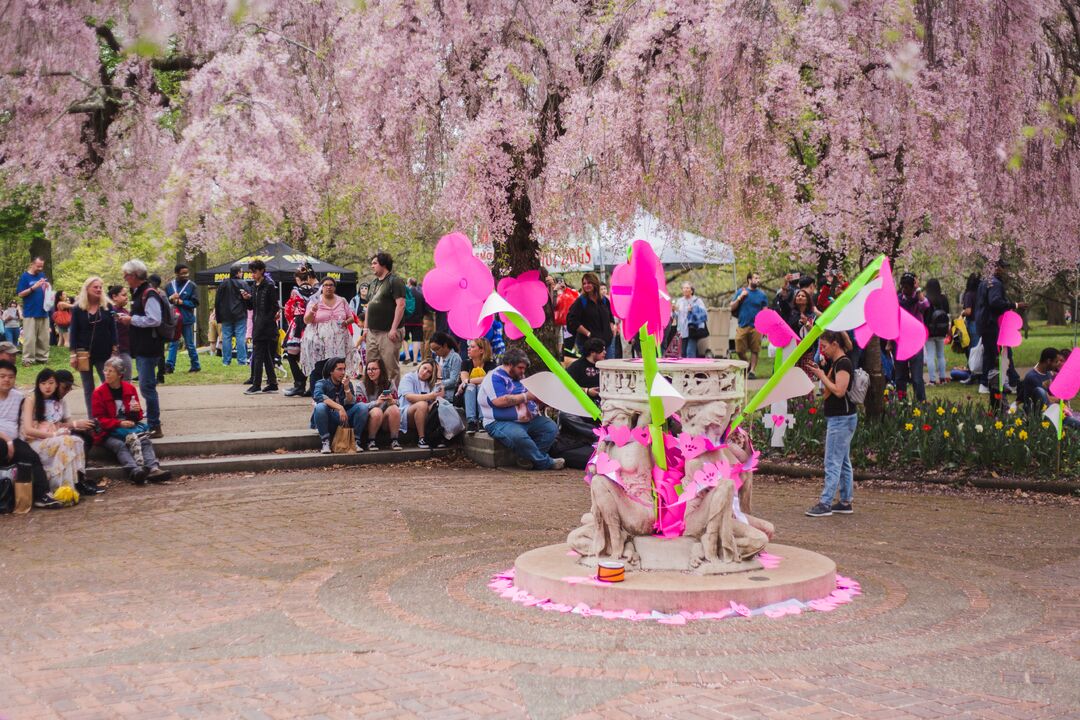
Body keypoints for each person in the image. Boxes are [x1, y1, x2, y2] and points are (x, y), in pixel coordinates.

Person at [478, 348, 565, 470]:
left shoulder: (520, 376)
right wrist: (526, 396)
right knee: (519, 436)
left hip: (528, 419)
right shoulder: (494, 377)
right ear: (509, 364)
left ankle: (527, 459)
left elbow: (530, 398)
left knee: (551, 428)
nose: (523, 371)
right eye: (520, 367)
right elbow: (499, 401)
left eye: (524, 368)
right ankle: (545, 462)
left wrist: (541, 401)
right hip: (498, 421)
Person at [91, 356, 170, 484]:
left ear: (120, 374)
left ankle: (153, 469)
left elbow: (137, 416)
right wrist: (119, 423)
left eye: (110, 371)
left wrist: (136, 411)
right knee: (119, 445)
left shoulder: (129, 389)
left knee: (144, 441)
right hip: (108, 431)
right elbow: (99, 420)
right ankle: (134, 471)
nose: (106, 373)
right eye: (105, 370)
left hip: (129, 428)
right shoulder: (98, 393)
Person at [805, 330, 857, 517]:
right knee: (842, 461)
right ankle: (845, 501)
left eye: (825, 347)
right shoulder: (836, 363)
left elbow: (839, 391)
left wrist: (821, 375)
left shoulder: (843, 363)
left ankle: (825, 503)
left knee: (832, 462)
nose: (823, 351)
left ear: (835, 344)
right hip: (841, 418)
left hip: (841, 419)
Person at [0, 360, 61, 508]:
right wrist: (7, 440)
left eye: (10, 376)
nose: (6, 379)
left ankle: (42, 495)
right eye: (2, 376)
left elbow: (34, 406)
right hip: (3, 440)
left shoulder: (18, 396)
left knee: (31, 456)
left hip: (15, 439)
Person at [116, 260, 166, 438]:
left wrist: (131, 320)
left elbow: (155, 319)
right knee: (146, 386)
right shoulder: (139, 293)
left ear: (135, 275)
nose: (125, 279)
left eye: (127, 275)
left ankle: (154, 425)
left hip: (149, 347)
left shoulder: (148, 293)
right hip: (142, 346)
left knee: (147, 387)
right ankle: (153, 423)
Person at [21, 368, 87, 495]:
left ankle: (73, 485)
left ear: (56, 384)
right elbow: (28, 430)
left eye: (51, 383)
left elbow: (58, 424)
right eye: (43, 383)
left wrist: (68, 428)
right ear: (38, 384)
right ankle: (57, 487)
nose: (47, 387)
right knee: (66, 442)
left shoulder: (58, 401)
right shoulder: (31, 400)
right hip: (35, 440)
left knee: (77, 440)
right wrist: (54, 434)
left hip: (53, 438)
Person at [300, 277, 359, 396]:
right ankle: (317, 396)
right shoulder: (315, 300)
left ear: (335, 287)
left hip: (338, 342)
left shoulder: (342, 301)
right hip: (318, 342)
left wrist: (345, 323)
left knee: (337, 368)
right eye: (326, 285)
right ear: (321, 287)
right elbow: (306, 320)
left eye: (331, 285)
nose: (328, 287)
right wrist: (312, 311)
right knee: (318, 369)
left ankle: (337, 395)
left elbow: (352, 317)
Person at [68, 276, 118, 415]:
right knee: (88, 387)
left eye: (100, 287)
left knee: (108, 384)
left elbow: (113, 330)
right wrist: (73, 354)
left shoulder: (107, 307)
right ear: (87, 289)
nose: (98, 289)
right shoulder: (78, 308)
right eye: (95, 287)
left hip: (104, 352)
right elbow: (73, 332)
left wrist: (114, 350)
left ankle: (110, 414)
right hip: (83, 353)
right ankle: (93, 417)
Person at [976, 261, 1026, 396]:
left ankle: (988, 383)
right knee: (1004, 352)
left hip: (984, 322)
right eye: (1002, 267)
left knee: (990, 354)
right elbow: (995, 302)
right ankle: (1013, 382)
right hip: (993, 323)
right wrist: (1014, 305)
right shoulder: (996, 284)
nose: (1003, 270)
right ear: (996, 268)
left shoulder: (984, 282)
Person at [53, 369, 105, 495]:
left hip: (62, 432)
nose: (66, 392)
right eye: (65, 388)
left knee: (86, 436)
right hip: (49, 435)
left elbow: (67, 422)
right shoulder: (45, 400)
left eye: (69, 389)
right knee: (77, 439)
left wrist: (82, 425)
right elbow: (49, 426)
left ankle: (80, 477)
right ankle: (77, 480)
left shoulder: (62, 401)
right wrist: (74, 425)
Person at [311, 356, 369, 454]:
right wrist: (339, 407)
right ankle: (325, 441)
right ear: (331, 371)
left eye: (344, 369)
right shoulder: (322, 383)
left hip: (344, 419)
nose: (343, 372)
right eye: (339, 369)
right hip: (329, 419)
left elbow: (351, 402)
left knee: (362, 406)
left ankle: (355, 441)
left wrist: (346, 388)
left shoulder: (347, 383)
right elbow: (318, 396)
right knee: (320, 407)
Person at [365, 252, 407, 385]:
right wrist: (366, 328)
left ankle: (394, 398)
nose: (372, 266)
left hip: (388, 333)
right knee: (371, 367)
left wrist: (393, 329)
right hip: (372, 332)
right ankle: (374, 397)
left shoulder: (395, 281)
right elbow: (369, 306)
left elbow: (401, 305)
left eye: (375, 263)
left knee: (390, 368)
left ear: (383, 264)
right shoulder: (373, 283)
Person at [242, 259, 281, 394]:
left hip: (266, 327)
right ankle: (272, 382)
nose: (252, 275)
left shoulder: (269, 286)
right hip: (257, 324)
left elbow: (275, 306)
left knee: (258, 354)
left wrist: (266, 321)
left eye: (254, 272)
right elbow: (252, 306)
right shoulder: (254, 286)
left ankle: (256, 384)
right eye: (251, 272)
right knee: (265, 356)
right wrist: (247, 299)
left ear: (262, 271)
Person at [283, 266, 319, 396]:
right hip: (312, 324)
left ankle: (299, 383)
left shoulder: (295, 291)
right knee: (311, 356)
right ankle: (312, 385)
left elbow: (289, 309)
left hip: (298, 324)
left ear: (298, 279)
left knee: (292, 355)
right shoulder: (316, 291)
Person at [894, 272, 929, 402]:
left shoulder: (918, 299)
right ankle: (901, 402)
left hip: (915, 342)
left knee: (917, 378)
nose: (905, 289)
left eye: (908, 287)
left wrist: (918, 289)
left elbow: (925, 305)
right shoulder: (898, 300)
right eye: (903, 286)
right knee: (900, 377)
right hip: (900, 342)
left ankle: (921, 403)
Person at [356, 358, 402, 450]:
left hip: (385, 421)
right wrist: (376, 403)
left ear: (381, 370)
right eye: (368, 369)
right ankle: (371, 441)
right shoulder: (360, 385)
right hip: (369, 420)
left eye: (374, 369)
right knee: (377, 411)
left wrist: (392, 401)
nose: (370, 372)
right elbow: (359, 406)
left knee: (394, 408)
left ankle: (394, 440)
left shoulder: (389, 383)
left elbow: (398, 402)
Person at [730, 272, 769, 378]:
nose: (758, 280)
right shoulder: (741, 292)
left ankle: (752, 371)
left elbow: (765, 312)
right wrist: (740, 298)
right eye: (755, 278)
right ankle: (746, 364)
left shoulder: (762, 295)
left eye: (759, 278)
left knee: (755, 350)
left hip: (757, 326)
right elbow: (731, 307)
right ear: (749, 280)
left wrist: (765, 327)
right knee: (739, 350)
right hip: (742, 324)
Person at [398, 359, 443, 449]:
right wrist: (430, 396)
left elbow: (440, 396)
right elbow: (409, 397)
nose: (425, 372)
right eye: (424, 368)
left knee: (438, 404)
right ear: (420, 366)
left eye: (429, 372)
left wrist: (439, 377)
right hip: (406, 412)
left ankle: (436, 437)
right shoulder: (409, 377)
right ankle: (422, 438)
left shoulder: (429, 383)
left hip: (424, 414)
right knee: (422, 404)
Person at [566, 272, 614, 355]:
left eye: (589, 283)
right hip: (589, 345)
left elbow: (610, 316)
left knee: (607, 366)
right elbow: (572, 320)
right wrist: (588, 333)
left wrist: (611, 329)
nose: (586, 285)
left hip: (607, 343)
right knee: (592, 367)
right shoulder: (581, 301)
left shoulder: (604, 300)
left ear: (595, 283)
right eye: (584, 283)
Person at [165, 263, 200, 374]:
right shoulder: (169, 286)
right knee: (173, 343)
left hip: (186, 319)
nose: (185, 275)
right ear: (176, 273)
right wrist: (171, 298)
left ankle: (195, 365)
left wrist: (182, 302)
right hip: (173, 319)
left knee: (189, 343)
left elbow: (195, 303)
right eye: (182, 273)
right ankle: (170, 366)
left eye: (187, 273)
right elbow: (164, 302)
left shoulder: (192, 286)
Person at [456, 337, 495, 435]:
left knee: (481, 386)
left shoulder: (491, 364)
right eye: (469, 346)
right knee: (471, 387)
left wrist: (469, 380)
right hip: (467, 396)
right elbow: (464, 380)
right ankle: (471, 421)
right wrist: (468, 382)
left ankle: (482, 420)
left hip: (486, 397)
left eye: (472, 347)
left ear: (481, 350)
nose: (468, 349)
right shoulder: (465, 363)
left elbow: (488, 379)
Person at [16, 257, 50, 366]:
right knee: (29, 338)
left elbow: (46, 291)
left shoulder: (42, 275)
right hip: (30, 312)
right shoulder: (25, 277)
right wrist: (33, 287)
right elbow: (20, 294)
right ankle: (28, 359)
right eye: (38, 266)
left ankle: (42, 358)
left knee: (43, 338)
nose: (40, 268)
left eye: (42, 266)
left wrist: (47, 287)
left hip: (43, 311)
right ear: (32, 264)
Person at [214, 264, 250, 367]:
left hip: (225, 315)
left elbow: (217, 301)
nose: (242, 274)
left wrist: (218, 316)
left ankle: (226, 361)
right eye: (241, 272)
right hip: (240, 314)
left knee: (226, 338)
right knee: (240, 337)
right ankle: (242, 361)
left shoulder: (223, 284)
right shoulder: (243, 284)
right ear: (238, 273)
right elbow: (249, 299)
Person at [922, 278, 951, 385]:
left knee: (930, 355)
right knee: (940, 355)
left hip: (930, 331)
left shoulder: (926, 299)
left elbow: (923, 315)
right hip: (941, 330)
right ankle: (943, 378)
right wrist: (948, 329)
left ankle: (932, 380)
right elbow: (947, 315)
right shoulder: (943, 299)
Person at [675, 283, 709, 358]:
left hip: (693, 329)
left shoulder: (697, 300)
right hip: (682, 330)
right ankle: (688, 368)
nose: (685, 289)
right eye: (684, 288)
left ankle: (691, 368)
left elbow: (704, 313)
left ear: (691, 290)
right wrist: (673, 310)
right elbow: (677, 314)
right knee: (683, 352)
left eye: (687, 288)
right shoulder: (679, 301)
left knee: (690, 351)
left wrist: (693, 309)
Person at [567, 337, 605, 403]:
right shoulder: (576, 367)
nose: (605, 352)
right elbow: (567, 386)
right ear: (592, 352)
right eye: (602, 350)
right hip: (584, 403)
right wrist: (587, 391)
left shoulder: (603, 366)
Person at [107, 285, 133, 380]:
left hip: (125, 350)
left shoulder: (126, 311)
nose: (127, 297)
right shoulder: (110, 311)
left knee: (126, 379)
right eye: (124, 295)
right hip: (113, 352)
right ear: (114, 297)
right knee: (112, 380)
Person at [428, 332, 462, 397]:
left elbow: (453, 381)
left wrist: (437, 383)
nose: (435, 352)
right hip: (436, 391)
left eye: (437, 349)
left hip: (449, 395)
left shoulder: (455, 358)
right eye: (433, 350)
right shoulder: (438, 358)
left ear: (445, 345)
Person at [402, 278, 427, 364]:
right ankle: (415, 360)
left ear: (409, 283)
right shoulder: (421, 295)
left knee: (404, 338)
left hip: (406, 320)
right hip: (418, 321)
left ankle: (407, 356)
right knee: (416, 340)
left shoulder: (405, 294)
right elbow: (425, 309)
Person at [960, 273, 981, 360]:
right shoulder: (981, 294)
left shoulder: (969, 295)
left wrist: (962, 313)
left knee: (973, 348)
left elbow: (968, 311)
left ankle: (974, 368)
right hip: (982, 322)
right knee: (980, 348)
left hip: (973, 323)